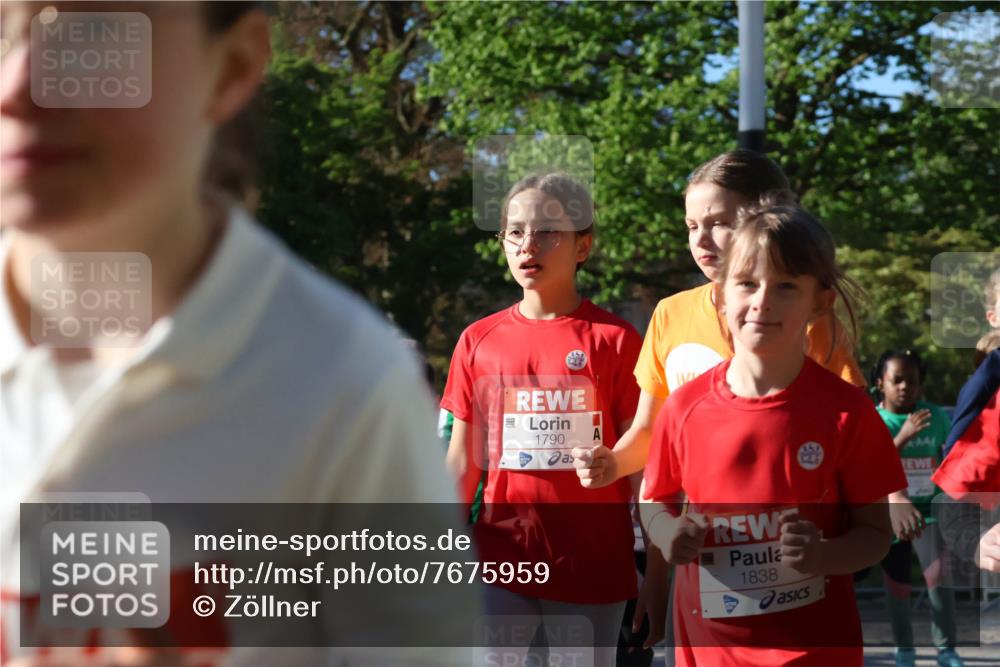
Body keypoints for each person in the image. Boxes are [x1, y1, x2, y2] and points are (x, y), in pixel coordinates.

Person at [0, 2, 473, 665]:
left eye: (93, 33)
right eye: (1, 32)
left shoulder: (344, 384)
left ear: (234, 66)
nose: (16, 86)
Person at [572, 150, 866, 657]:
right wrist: (612, 463)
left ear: (763, 221)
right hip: (704, 566)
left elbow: (849, 440)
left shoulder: (810, 318)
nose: (701, 240)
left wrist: (833, 547)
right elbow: (654, 439)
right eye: (691, 226)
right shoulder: (669, 315)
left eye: (718, 223)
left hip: (798, 571)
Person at [639, 204, 906, 666]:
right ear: (721, 294)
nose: (763, 300)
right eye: (747, 283)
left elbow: (875, 537)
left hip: (814, 651)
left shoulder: (848, 411)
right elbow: (653, 500)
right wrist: (667, 532)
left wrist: (822, 556)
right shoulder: (684, 407)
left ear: (818, 301)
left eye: (786, 286)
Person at [441, 172, 644, 665]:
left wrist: (654, 566)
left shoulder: (616, 340)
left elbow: (642, 456)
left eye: (548, 231)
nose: (528, 244)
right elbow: (462, 462)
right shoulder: (478, 340)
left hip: (592, 563)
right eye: (515, 231)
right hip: (499, 559)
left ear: (582, 246)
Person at [870, 350, 964, 667]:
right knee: (898, 586)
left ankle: (947, 649)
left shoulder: (935, 416)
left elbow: (952, 454)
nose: (905, 387)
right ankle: (905, 651)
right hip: (893, 515)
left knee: (939, 580)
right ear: (880, 383)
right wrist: (904, 436)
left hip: (931, 513)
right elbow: (869, 466)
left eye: (912, 381)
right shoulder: (872, 419)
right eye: (896, 380)